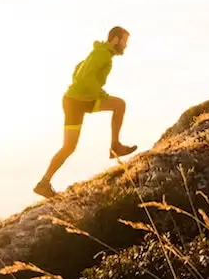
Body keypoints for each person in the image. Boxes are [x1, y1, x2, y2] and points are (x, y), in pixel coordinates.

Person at [34, 26, 137, 199]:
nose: (125, 46)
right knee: (119, 105)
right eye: (124, 42)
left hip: (75, 100)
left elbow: (78, 70)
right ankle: (115, 147)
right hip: (79, 101)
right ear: (115, 40)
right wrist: (99, 93)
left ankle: (43, 184)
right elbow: (83, 77)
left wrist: (87, 91)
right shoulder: (102, 54)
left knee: (68, 147)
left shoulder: (100, 52)